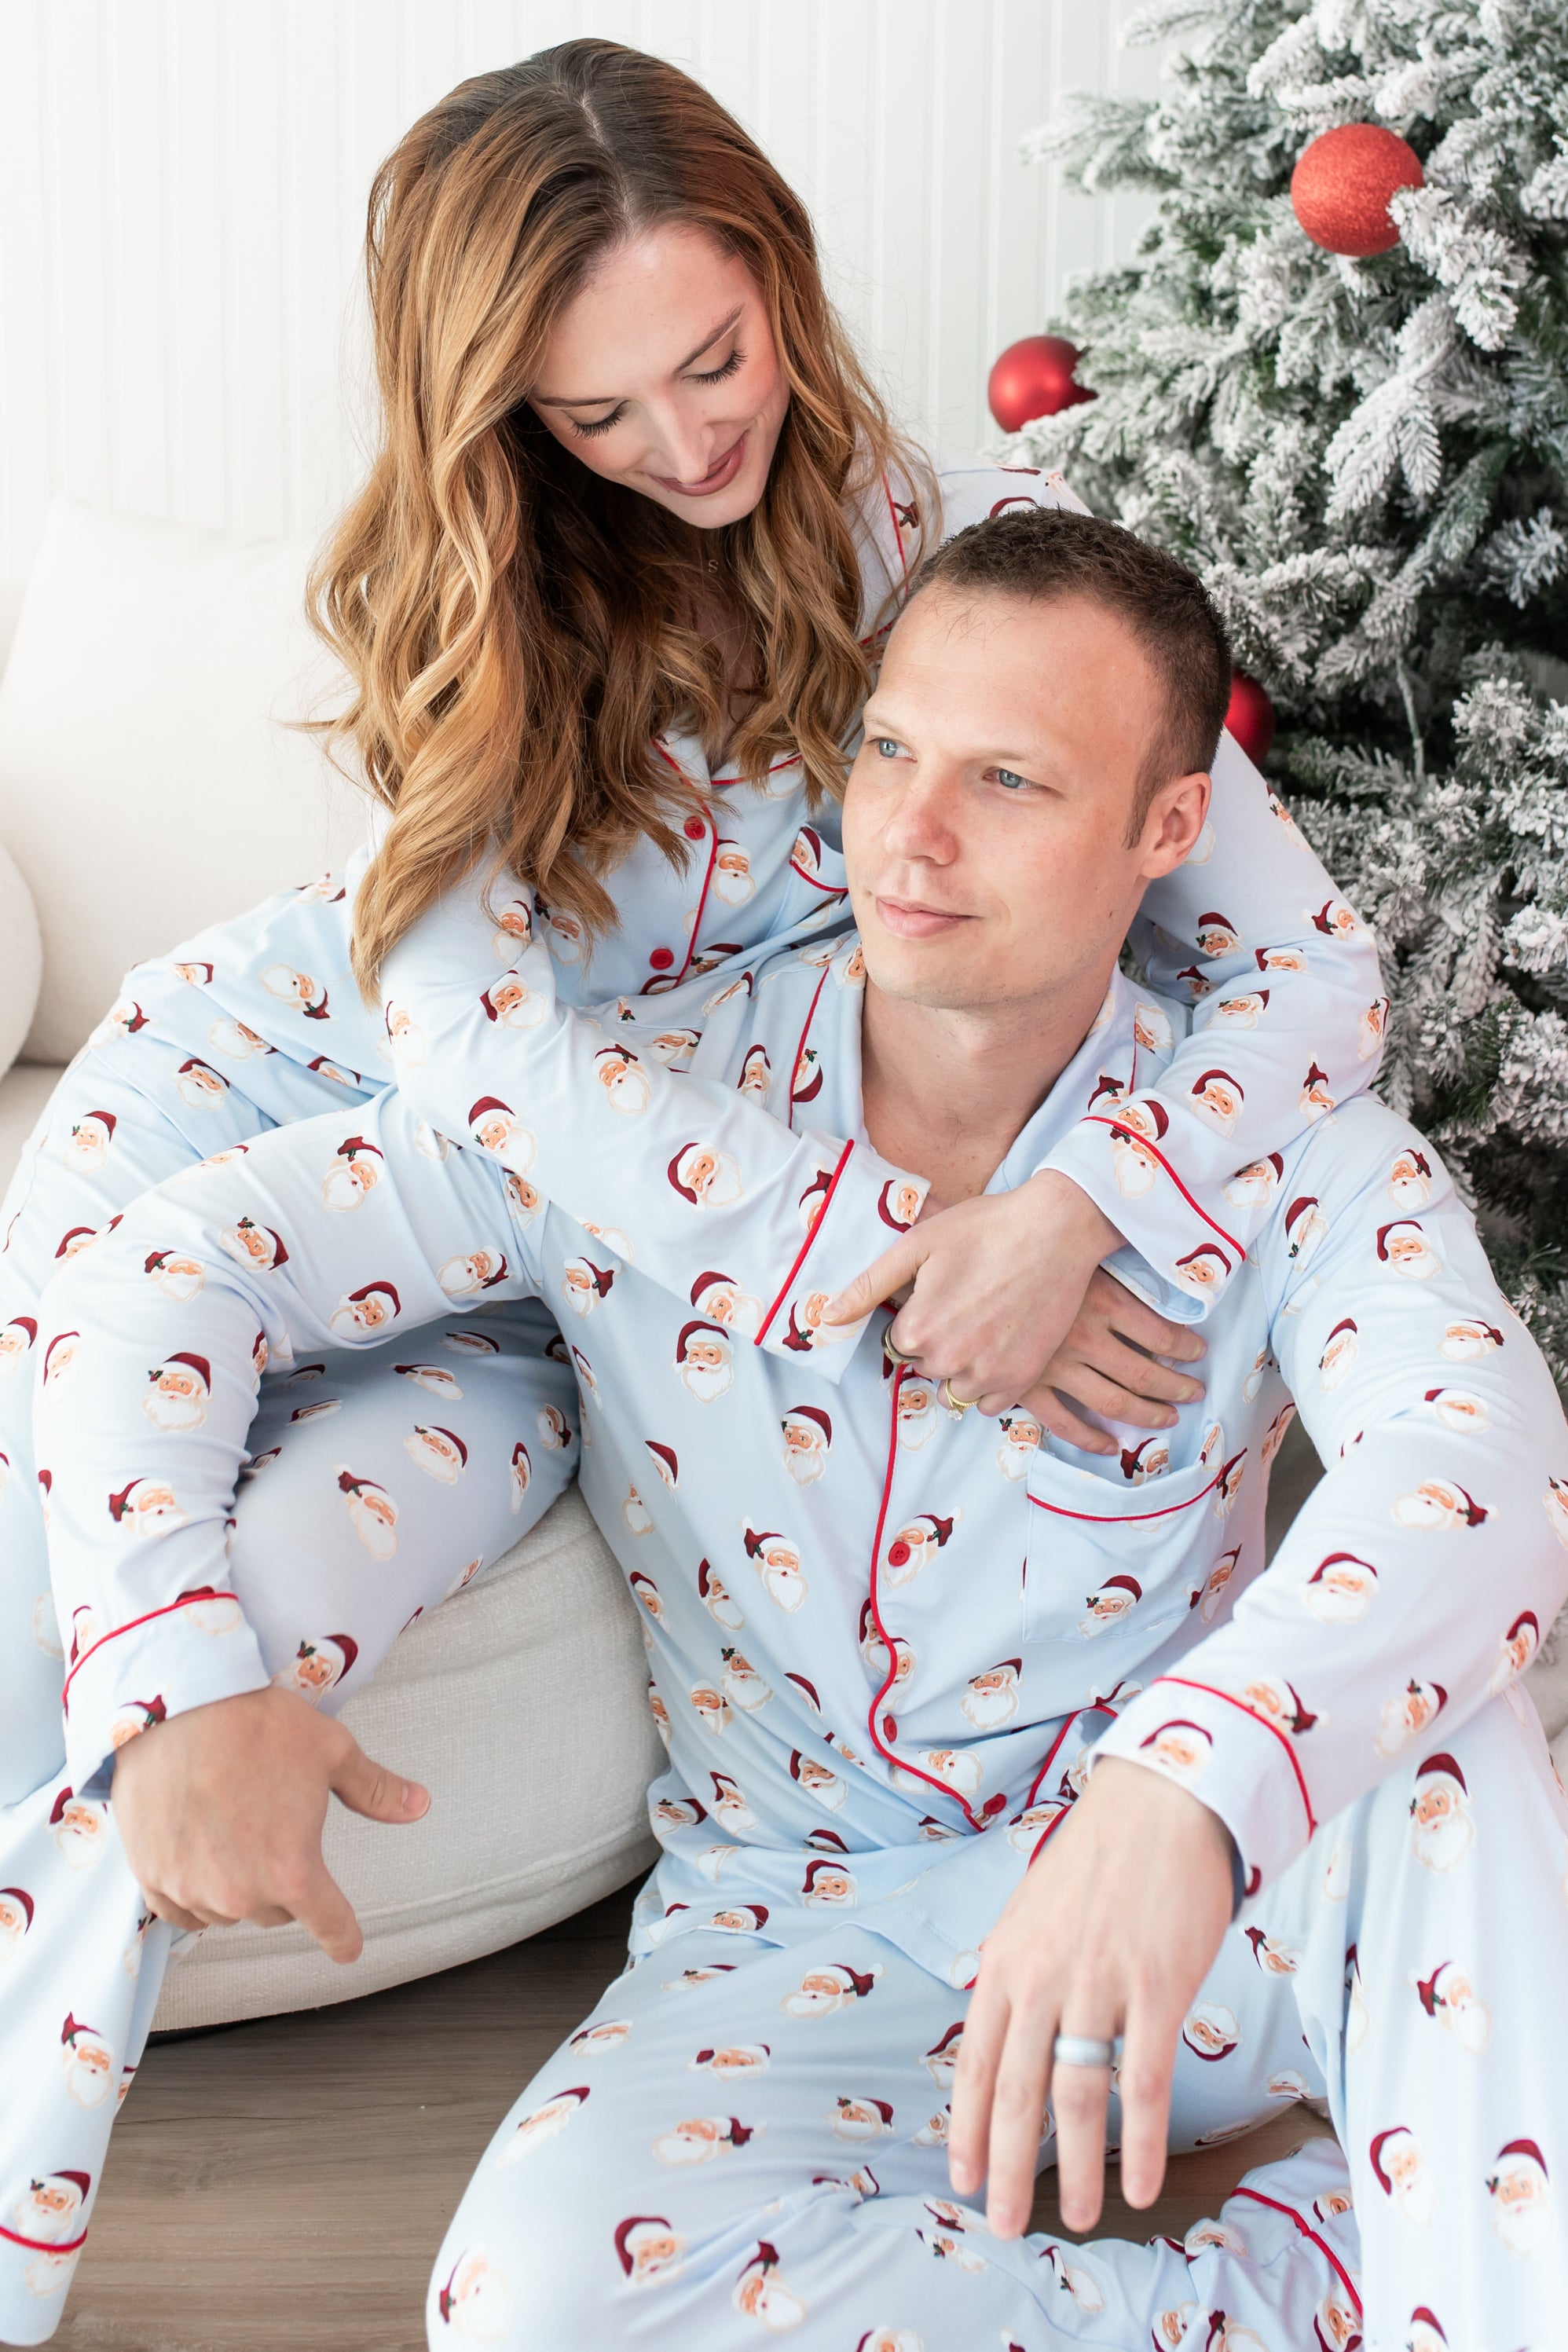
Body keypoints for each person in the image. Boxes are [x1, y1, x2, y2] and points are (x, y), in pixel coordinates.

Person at [27, 508, 1568, 2349]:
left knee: (1445, 1759)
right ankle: (1337, 2275)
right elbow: (161, 1277)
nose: (906, 838)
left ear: (1168, 832)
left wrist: (1188, 1780)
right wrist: (177, 1672)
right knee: (529, 2309)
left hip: (1202, 1900)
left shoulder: (1269, 1142)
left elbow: (1476, 1458)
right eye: (888, 752)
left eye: (1005, 778)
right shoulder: (636, 1108)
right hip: (792, 1927)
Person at [0, 36, 1387, 1807]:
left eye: (713, 358)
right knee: (69, 1632)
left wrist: (1071, 1209)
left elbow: (1308, 973)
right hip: (277, 1111)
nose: (684, 439)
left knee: (226, 1644)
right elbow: (490, 1072)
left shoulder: (977, 563)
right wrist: (900, 1246)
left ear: (776, 274)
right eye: (596, 414)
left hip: (557, 1267)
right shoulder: (493, 621)